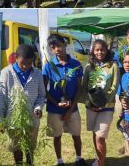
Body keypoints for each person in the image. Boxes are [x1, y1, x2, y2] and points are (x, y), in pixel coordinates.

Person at [0, 44, 46, 166]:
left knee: (30, 146)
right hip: (13, 120)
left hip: (31, 119)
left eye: (29, 63)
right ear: (16, 57)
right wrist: (1, 120)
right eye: (23, 63)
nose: (25, 66)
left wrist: (38, 108)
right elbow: (1, 98)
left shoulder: (37, 74)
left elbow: (41, 95)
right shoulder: (6, 73)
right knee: (16, 147)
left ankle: (29, 163)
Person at [42, 34, 86, 166]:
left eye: (59, 45)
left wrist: (71, 108)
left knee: (76, 134)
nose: (57, 49)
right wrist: (56, 103)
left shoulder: (76, 64)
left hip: (72, 109)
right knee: (57, 135)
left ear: (65, 44)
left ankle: (79, 158)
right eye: (53, 47)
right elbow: (44, 89)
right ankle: (59, 161)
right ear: (51, 49)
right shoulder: (49, 66)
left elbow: (79, 88)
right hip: (55, 108)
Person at [80, 39, 119, 166]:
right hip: (91, 107)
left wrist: (103, 101)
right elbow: (84, 87)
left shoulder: (113, 66)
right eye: (97, 50)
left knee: (100, 136)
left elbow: (114, 86)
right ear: (93, 51)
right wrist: (91, 103)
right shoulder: (88, 67)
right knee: (94, 133)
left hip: (107, 106)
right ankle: (99, 159)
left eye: (102, 49)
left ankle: (101, 163)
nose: (99, 52)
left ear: (106, 50)